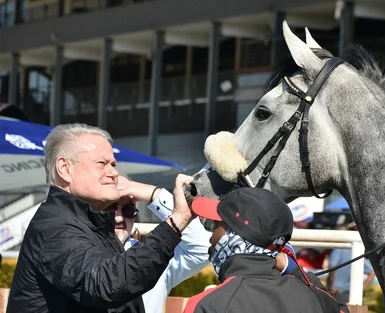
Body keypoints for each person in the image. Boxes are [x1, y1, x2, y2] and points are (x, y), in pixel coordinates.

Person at [6, 123, 195, 313]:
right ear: (64, 168)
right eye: (101, 164)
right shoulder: (54, 227)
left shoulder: (93, 222)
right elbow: (107, 284)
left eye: (113, 164)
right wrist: (175, 221)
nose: (113, 173)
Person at [183, 187, 348, 313]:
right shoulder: (314, 298)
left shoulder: (207, 304)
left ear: (234, 235)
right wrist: (293, 269)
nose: (211, 236)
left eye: (216, 226)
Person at [112, 175, 210, 312]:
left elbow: (203, 247)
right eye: (111, 207)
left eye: (128, 209)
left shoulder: (156, 253)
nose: (119, 218)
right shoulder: (78, 250)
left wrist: (152, 193)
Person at [326, 223, 376, 304]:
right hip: (348, 294)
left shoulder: (337, 250)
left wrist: (330, 287)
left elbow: (332, 267)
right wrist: (360, 290)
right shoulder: (355, 251)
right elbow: (372, 272)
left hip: (335, 293)